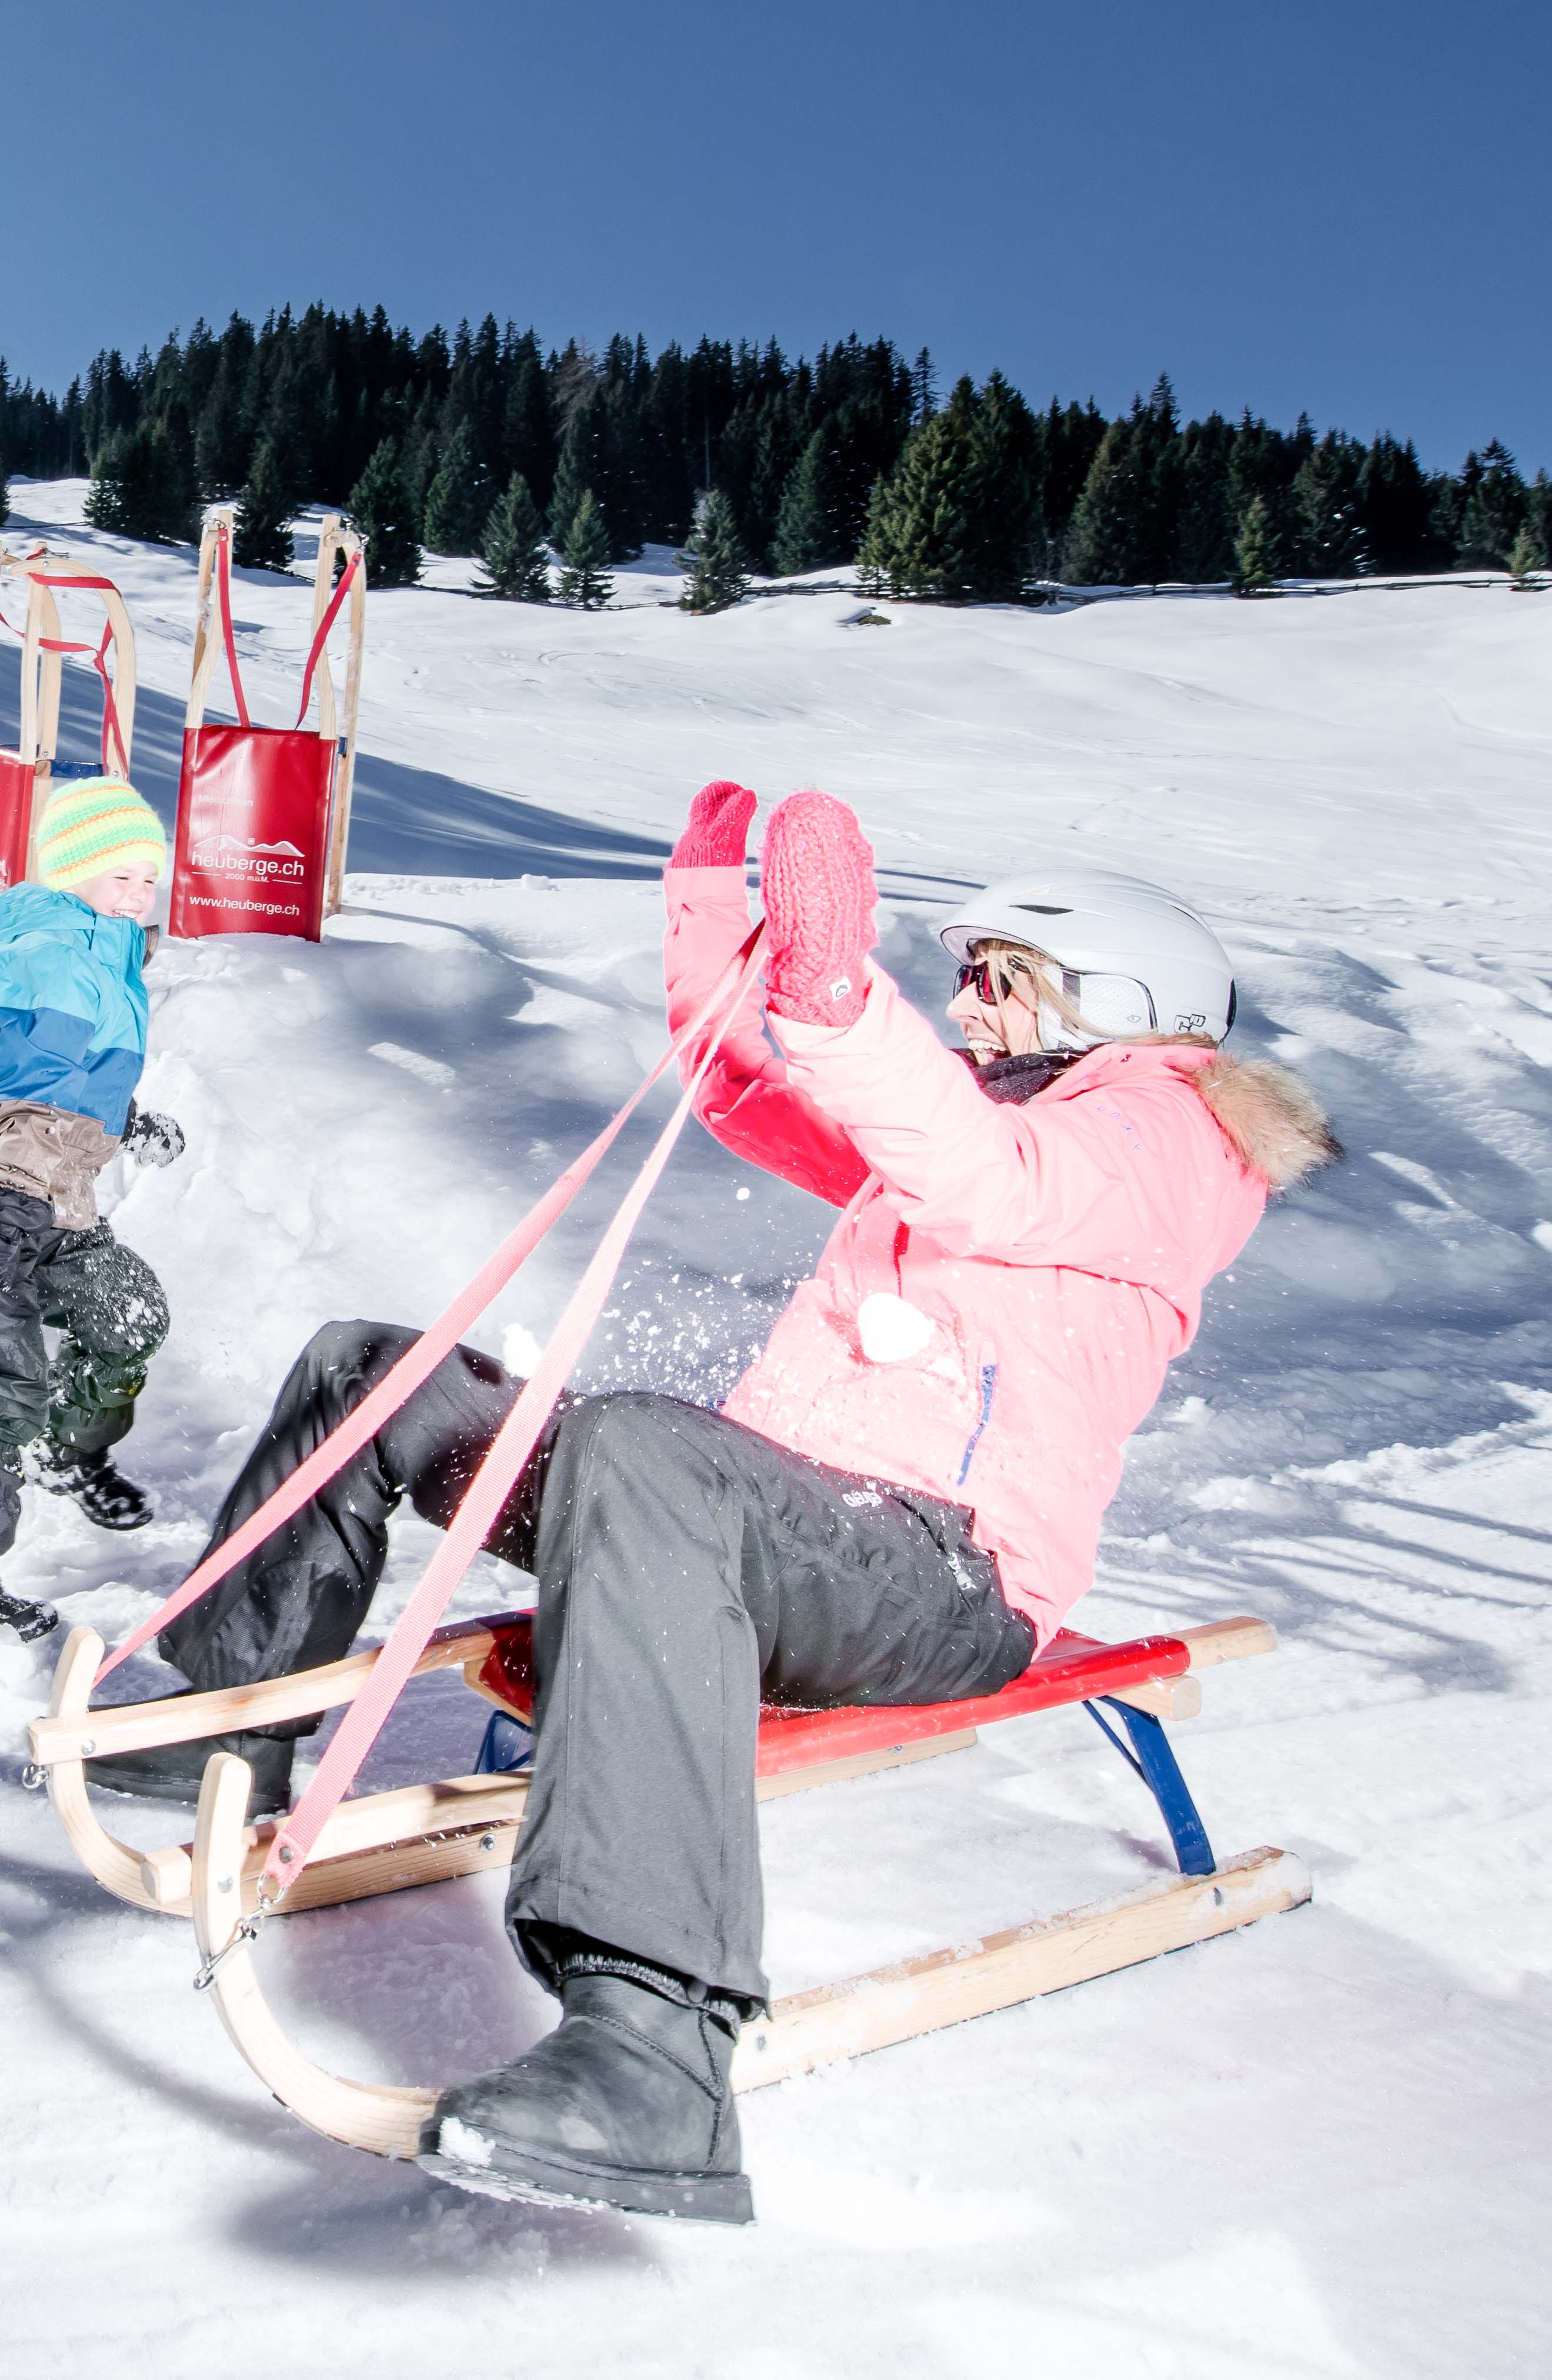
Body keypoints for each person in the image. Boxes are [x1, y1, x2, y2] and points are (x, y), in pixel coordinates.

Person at [152, 783, 1330, 2224]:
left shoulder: (1169, 1139)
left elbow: (992, 1187)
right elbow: (753, 1098)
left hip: (946, 1579)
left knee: (646, 1448)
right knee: (380, 1374)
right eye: (966, 979)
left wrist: (840, 994)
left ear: (1121, 999)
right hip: (784, 1534)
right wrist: (722, 941)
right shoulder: (1003, 1126)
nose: (969, 1008)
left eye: (1002, 980)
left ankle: (656, 2058)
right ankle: (225, 1729)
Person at [0, 778, 189, 1643]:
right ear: (69, 872)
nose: (138, 893)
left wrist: (121, 1119)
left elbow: (62, 1076)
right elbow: (33, 1094)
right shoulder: (57, 953)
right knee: (2, 1389)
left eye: (148, 877)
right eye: (119, 875)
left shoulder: (101, 953)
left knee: (127, 1314)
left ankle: (66, 1451)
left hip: (43, 1192)